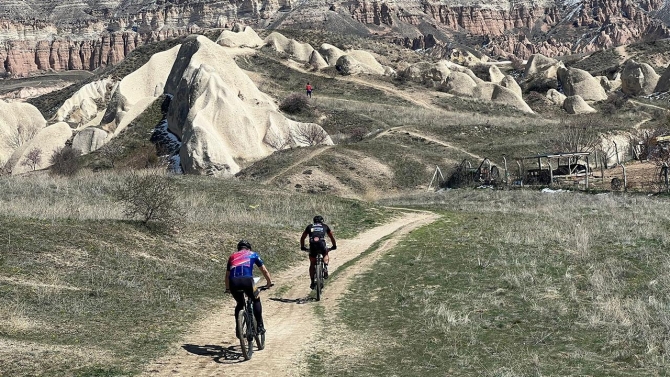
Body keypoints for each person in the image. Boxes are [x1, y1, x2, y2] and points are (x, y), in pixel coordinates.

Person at [225, 240, 273, 336]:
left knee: (239, 304)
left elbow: (227, 276)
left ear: (238, 249)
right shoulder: (253, 254)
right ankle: (259, 325)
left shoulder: (232, 256)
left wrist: (227, 289)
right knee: (256, 299)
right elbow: (264, 270)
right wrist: (269, 283)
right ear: (249, 248)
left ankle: (238, 329)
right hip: (248, 281)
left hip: (233, 282)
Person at [300, 215, 337, 290]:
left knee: (312, 263)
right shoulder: (325, 226)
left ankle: (312, 281)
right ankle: (325, 267)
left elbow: (303, 237)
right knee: (325, 252)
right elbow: (331, 237)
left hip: (313, 245)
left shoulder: (309, 226)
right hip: (321, 244)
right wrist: (334, 246)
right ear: (322, 221)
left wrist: (302, 247)